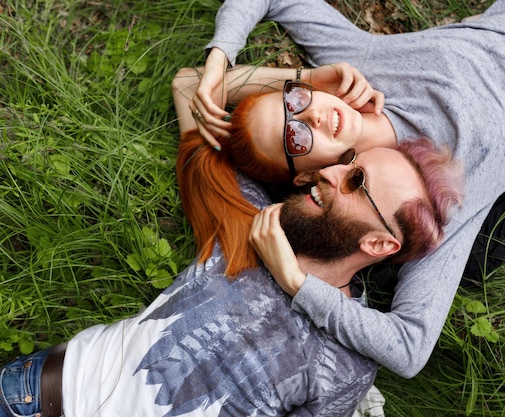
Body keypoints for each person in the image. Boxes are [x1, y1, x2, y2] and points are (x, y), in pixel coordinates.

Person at [182, 0, 505, 379]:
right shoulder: (430, 202)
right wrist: (298, 284)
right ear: (305, 177)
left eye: (296, 103)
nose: (313, 118)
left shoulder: (358, 63)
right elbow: (409, 348)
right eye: (295, 138)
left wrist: (225, 62)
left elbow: (187, 83)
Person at [0, 131, 463, 416]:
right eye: (348, 160)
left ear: (379, 244)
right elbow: (197, 99)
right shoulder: (252, 214)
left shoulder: (350, 364)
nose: (331, 172)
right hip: (36, 396)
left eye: (356, 182)